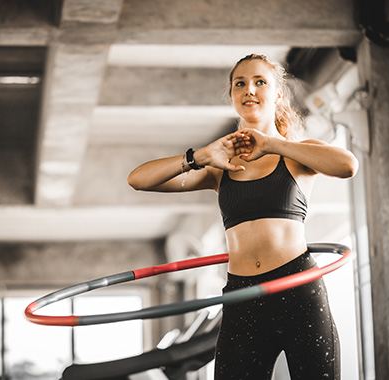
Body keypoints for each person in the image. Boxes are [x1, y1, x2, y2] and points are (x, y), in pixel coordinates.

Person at [127, 54, 359, 379]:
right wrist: (199, 156)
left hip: (298, 293)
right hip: (242, 299)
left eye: (260, 82)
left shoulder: (297, 154)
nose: (249, 89)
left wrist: (275, 144)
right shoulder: (218, 167)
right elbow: (138, 179)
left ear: (277, 94)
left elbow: (348, 165)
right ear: (234, 96)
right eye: (240, 84)